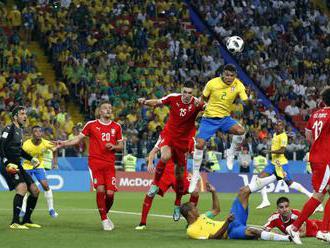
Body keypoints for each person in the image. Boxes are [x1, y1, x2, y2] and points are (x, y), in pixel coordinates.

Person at [56, 101, 123, 231]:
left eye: (110, 108)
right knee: (100, 190)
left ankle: (104, 214)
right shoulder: (91, 125)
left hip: (109, 164)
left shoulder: (117, 127)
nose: (108, 110)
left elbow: (121, 146)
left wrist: (114, 146)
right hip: (95, 163)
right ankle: (104, 220)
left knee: (110, 194)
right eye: (105, 108)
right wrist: (63, 143)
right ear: (100, 111)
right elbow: (77, 139)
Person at [189, 64, 253, 193]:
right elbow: (203, 98)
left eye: (232, 75)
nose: (229, 78)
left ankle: (231, 152)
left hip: (224, 119)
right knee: (199, 144)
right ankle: (195, 175)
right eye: (227, 75)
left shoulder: (238, 84)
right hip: (209, 119)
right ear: (222, 74)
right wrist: (199, 104)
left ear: (235, 76)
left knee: (241, 131)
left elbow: (246, 103)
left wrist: (249, 99)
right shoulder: (212, 83)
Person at [138, 81, 204, 203]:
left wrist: (205, 106)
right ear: (181, 91)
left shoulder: (197, 103)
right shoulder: (173, 97)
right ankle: (155, 184)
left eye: (190, 93)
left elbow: (208, 110)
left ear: (193, 93)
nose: (187, 95)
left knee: (179, 176)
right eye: (185, 92)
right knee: (165, 156)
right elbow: (157, 102)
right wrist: (145, 102)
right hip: (170, 135)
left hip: (183, 140)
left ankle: (177, 204)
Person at [286, 86, 330, 244]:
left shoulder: (316, 114)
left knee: (321, 193)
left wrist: (317, 146)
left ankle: (323, 231)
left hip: (316, 157)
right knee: (318, 195)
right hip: (326, 159)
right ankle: (301, 228)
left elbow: (308, 135)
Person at [180, 183, 291, 242]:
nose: (197, 209)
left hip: (232, 222)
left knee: (244, 191)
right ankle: (286, 238)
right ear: (190, 214)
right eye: (194, 208)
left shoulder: (202, 216)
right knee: (253, 231)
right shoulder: (192, 230)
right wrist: (227, 222)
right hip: (230, 232)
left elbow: (216, 210)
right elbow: (214, 238)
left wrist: (213, 192)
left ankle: (274, 176)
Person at [255, 120, 322, 211]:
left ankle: (311, 197)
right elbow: (282, 134)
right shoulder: (276, 134)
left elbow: (282, 151)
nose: (278, 127)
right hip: (273, 163)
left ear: (283, 126)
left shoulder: (283, 137)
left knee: (290, 183)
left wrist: (270, 151)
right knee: (259, 178)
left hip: (281, 164)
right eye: (276, 125)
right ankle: (265, 200)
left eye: (280, 125)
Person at [135, 137, 199, 230]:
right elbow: (153, 151)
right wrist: (150, 162)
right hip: (165, 172)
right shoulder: (166, 135)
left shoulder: (191, 139)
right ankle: (142, 223)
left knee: (195, 191)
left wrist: (196, 172)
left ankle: (191, 222)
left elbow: (195, 157)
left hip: (181, 171)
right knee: (150, 193)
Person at [0, 106, 41, 229]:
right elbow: (0, 146)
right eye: (22, 114)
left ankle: (26, 220)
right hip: (8, 164)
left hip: (18, 165)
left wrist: (31, 158)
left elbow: (19, 150)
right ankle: (15, 222)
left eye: (25, 114)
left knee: (35, 190)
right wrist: (6, 162)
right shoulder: (9, 128)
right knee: (22, 188)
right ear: (15, 117)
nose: (25, 116)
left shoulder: (20, 130)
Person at [20, 125, 58, 218]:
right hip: (27, 165)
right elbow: (20, 154)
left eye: (40, 131)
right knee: (25, 188)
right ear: (32, 134)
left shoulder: (46, 143)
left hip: (38, 166)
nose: (38, 133)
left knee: (45, 185)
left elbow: (55, 149)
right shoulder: (26, 144)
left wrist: (55, 162)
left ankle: (51, 209)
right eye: (36, 131)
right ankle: (23, 209)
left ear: (42, 133)